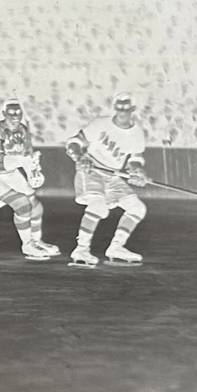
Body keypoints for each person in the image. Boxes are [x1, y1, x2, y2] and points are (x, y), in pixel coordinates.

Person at [64, 92, 148, 267]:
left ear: (133, 109)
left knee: (137, 208)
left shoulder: (137, 133)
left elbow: (135, 160)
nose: (122, 110)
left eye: (126, 107)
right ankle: (81, 249)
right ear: (114, 107)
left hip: (113, 175)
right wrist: (80, 157)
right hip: (92, 169)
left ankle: (116, 248)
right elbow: (73, 143)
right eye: (119, 106)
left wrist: (137, 172)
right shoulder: (100, 124)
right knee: (99, 207)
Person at [0, 98, 60, 260]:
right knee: (22, 204)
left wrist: (33, 173)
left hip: (11, 173)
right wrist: (22, 161)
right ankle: (27, 245)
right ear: (3, 114)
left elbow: (28, 157)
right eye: (11, 114)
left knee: (36, 206)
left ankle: (36, 241)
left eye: (18, 113)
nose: (15, 117)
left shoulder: (23, 129)